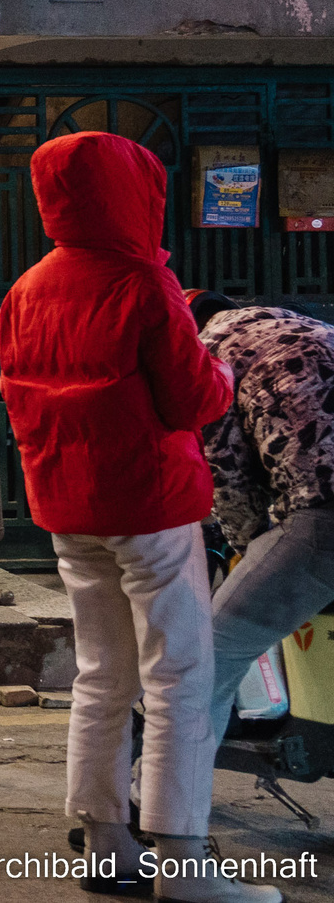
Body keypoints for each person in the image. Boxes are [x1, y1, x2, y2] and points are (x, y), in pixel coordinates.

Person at [0, 131, 268, 903]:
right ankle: (183, 860)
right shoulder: (144, 284)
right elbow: (197, 399)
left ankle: (108, 845)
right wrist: (216, 365)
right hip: (149, 501)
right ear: (132, 192)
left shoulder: (25, 290)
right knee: (180, 676)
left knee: (100, 673)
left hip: (65, 504)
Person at [188, 291, 334, 784]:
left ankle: (161, 805)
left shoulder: (208, 353)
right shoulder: (304, 327)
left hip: (325, 514)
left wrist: (247, 543)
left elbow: (226, 470)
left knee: (208, 657)